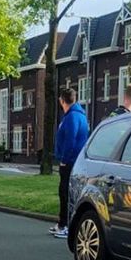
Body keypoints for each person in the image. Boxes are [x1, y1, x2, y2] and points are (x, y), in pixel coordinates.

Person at [50, 87, 89, 239]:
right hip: (73, 160)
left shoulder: (72, 117)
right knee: (64, 192)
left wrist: (65, 160)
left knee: (66, 192)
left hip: (70, 161)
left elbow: (70, 140)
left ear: (62, 100)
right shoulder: (76, 115)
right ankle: (62, 223)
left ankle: (65, 225)